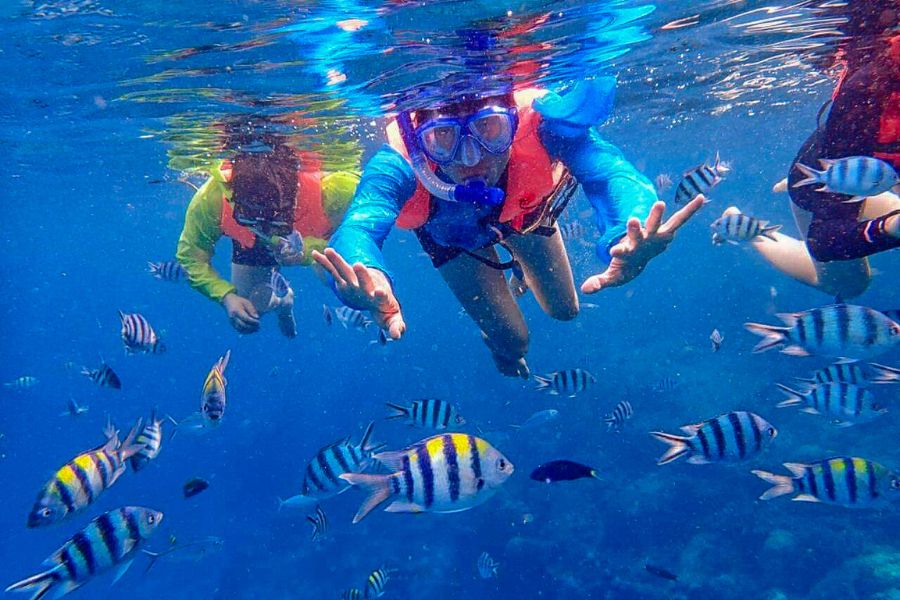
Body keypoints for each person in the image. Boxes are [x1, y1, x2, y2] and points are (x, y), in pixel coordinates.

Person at [313, 77, 704, 377]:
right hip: (454, 239)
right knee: (513, 341)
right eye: (443, 138)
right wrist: (368, 274)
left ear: (514, 123)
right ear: (419, 142)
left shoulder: (543, 127)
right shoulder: (398, 164)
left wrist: (627, 229)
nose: (470, 159)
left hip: (523, 216)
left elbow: (609, 172)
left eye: (490, 131)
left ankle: (519, 261)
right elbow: (359, 226)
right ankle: (501, 346)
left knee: (566, 310)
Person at [732, 1, 898, 299]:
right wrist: (886, 228)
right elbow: (825, 239)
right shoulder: (867, 90)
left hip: (868, 175)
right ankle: (748, 231)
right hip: (822, 186)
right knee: (849, 285)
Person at [176, 132, 360, 337]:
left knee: (344, 284)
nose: (268, 231)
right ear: (235, 198)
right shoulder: (212, 200)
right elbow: (190, 258)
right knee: (251, 305)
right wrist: (226, 296)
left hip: (322, 236)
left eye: (277, 218)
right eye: (253, 218)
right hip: (251, 242)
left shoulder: (335, 190)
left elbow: (362, 230)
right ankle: (283, 300)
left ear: (295, 190)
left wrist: (308, 252)